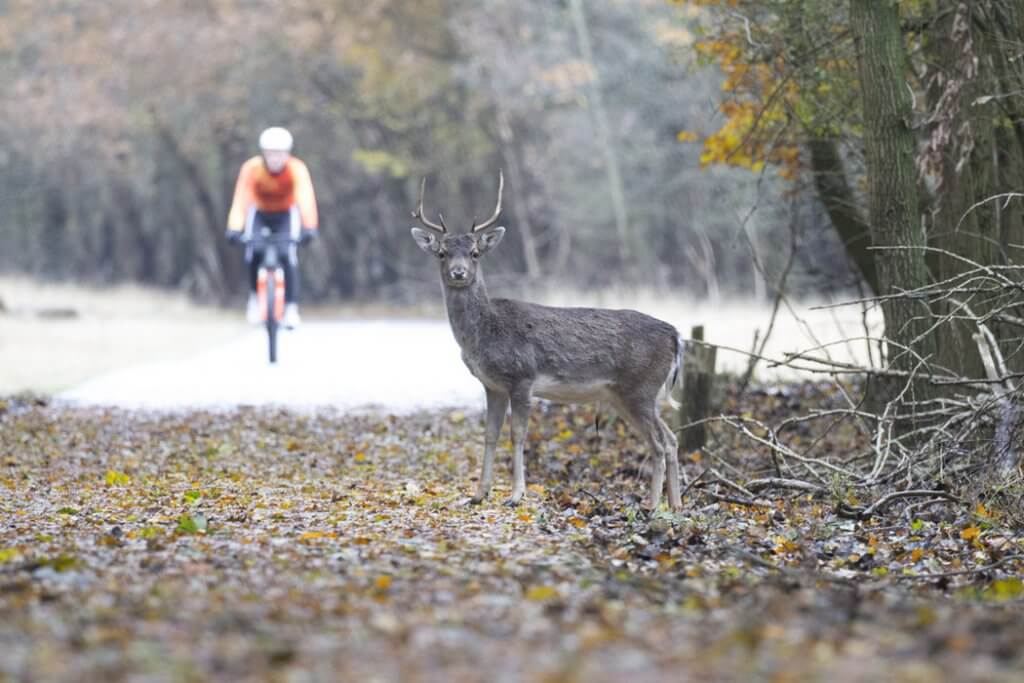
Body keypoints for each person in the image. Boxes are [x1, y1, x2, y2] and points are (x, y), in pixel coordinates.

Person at [225, 127, 318, 328]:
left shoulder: (296, 169)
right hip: (260, 213)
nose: (275, 158)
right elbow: (242, 199)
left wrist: (309, 227)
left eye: (280, 154)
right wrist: (234, 228)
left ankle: (291, 308)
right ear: (263, 154)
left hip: (286, 214)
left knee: (287, 254)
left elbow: (305, 197)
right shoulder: (252, 169)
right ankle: (254, 300)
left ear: (288, 154)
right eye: (271, 154)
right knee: (254, 251)